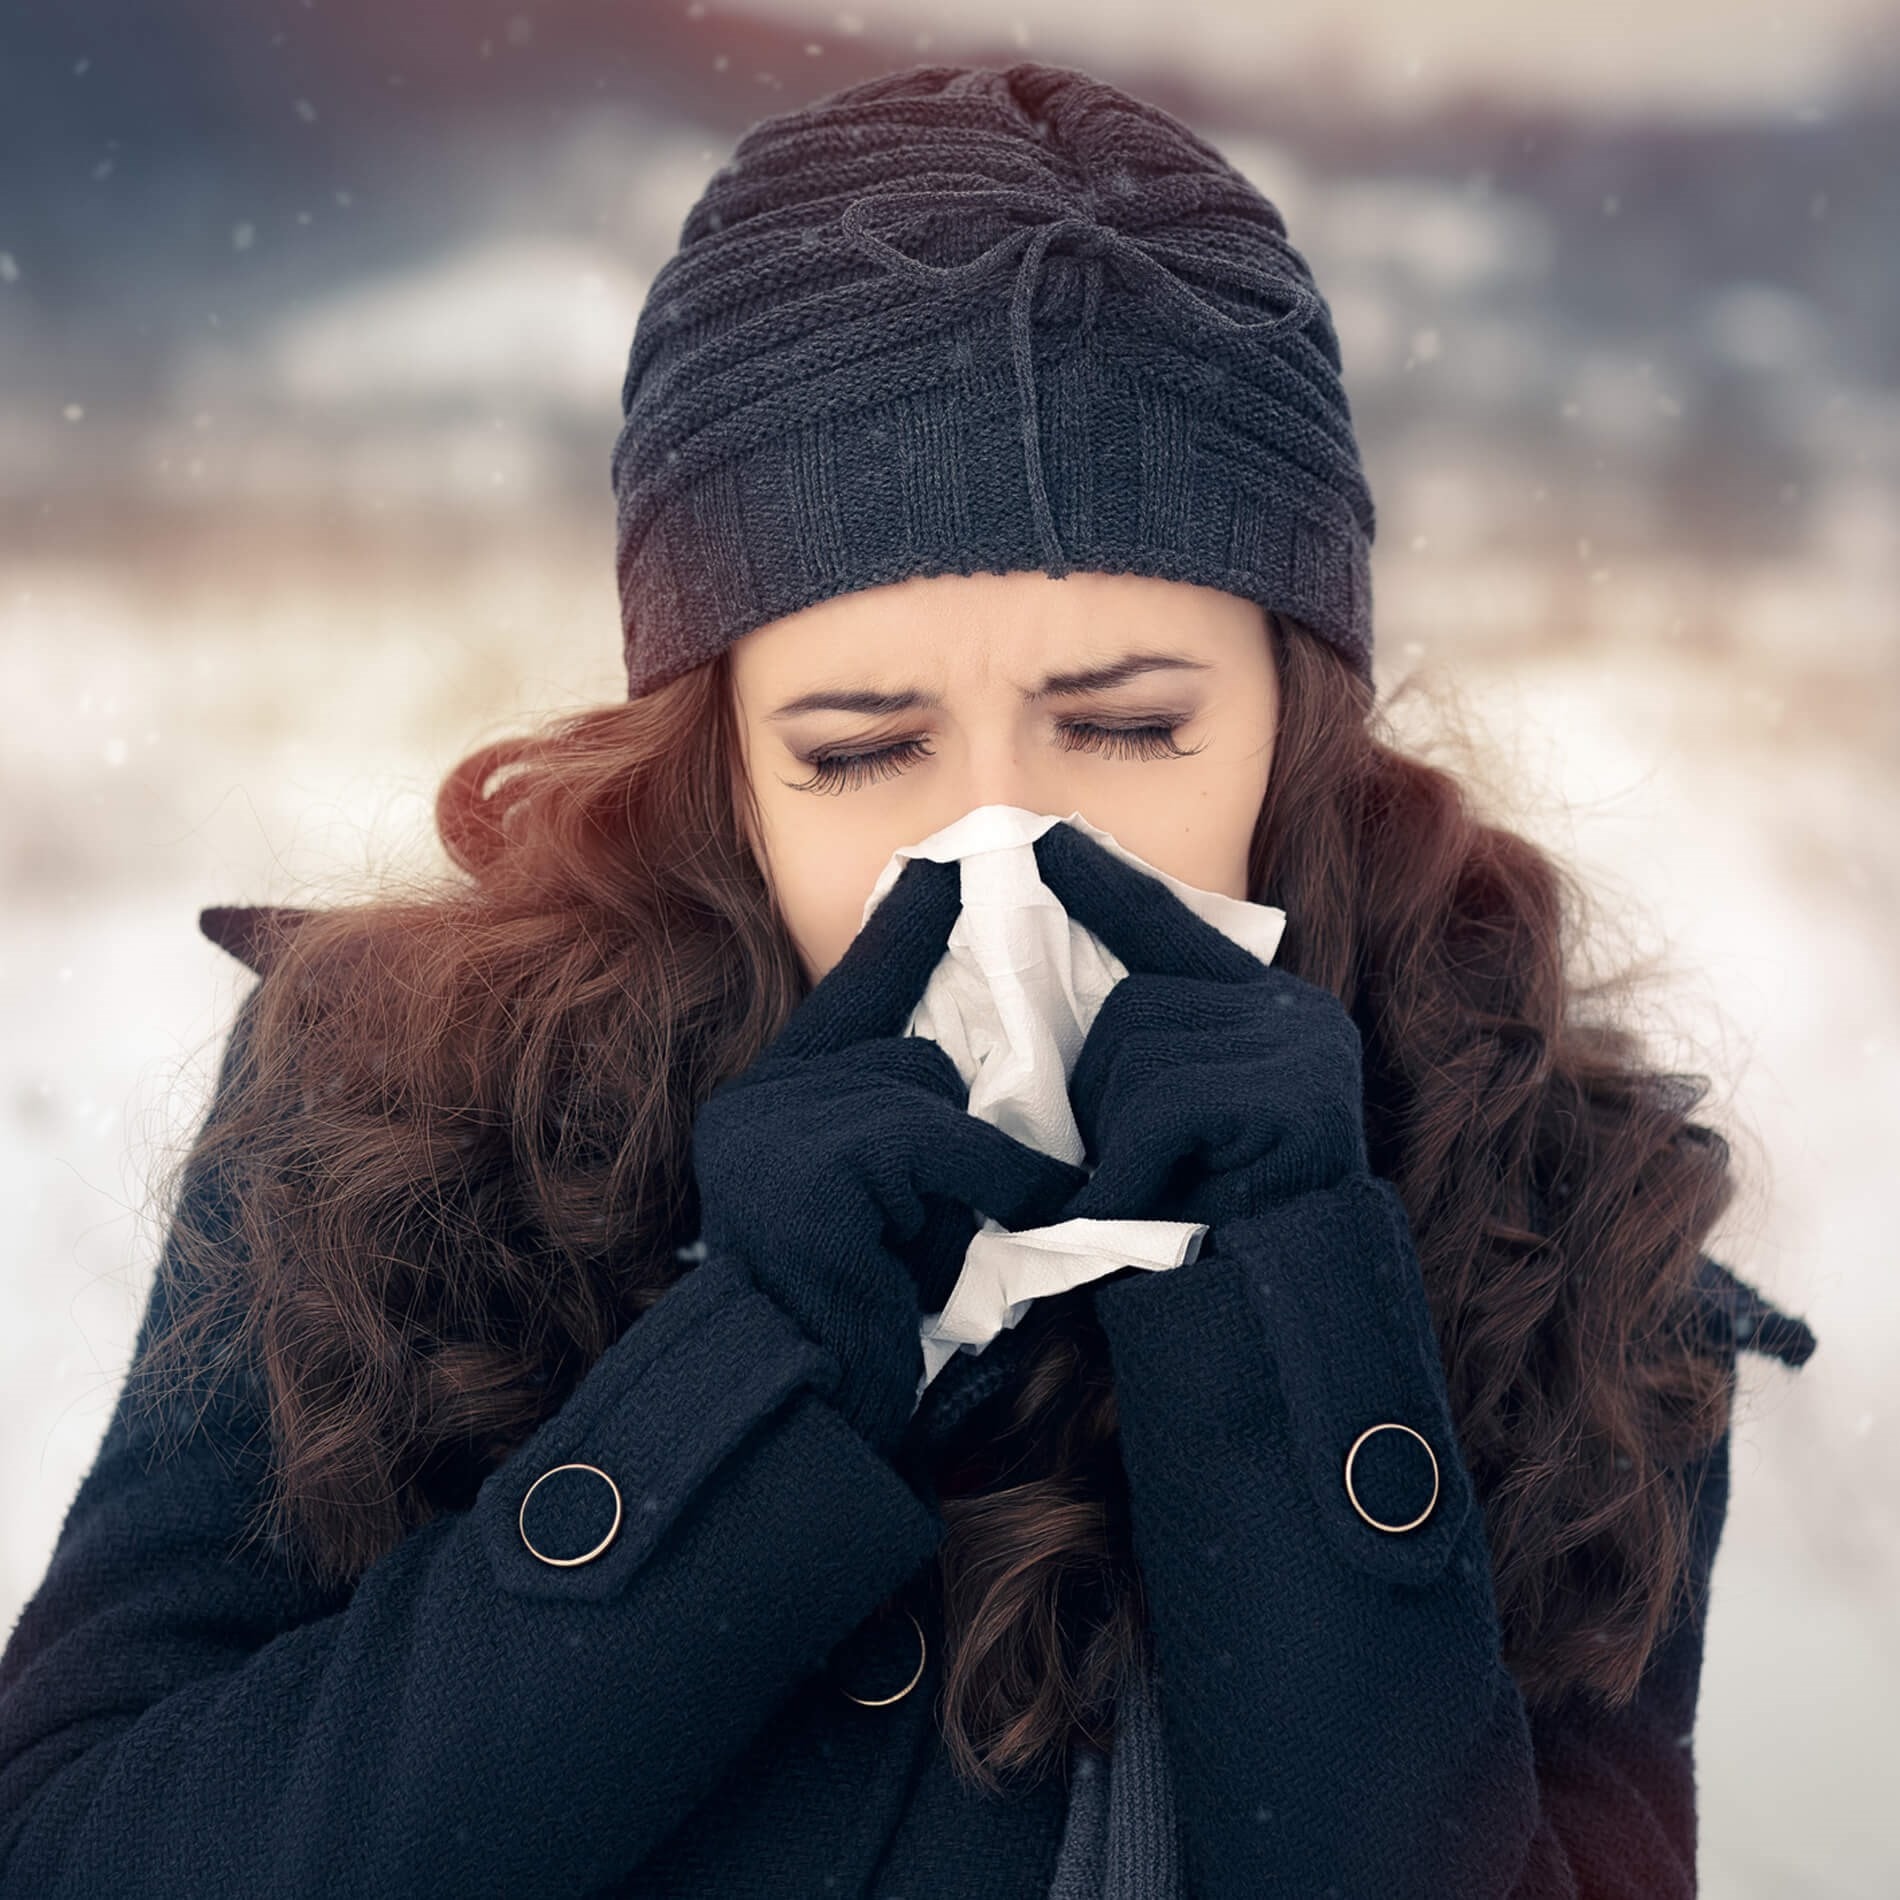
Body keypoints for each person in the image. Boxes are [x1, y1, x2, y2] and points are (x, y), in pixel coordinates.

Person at [0, 58, 1816, 1900]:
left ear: (1299, 720)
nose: (1001, 851)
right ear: (722, 764)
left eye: (1125, 727)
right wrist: (743, 1377)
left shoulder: (1556, 1233)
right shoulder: (395, 1122)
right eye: (863, 754)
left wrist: (1293, 1340)